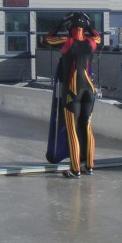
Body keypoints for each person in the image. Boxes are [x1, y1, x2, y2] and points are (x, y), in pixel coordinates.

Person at [44, 12, 101, 178]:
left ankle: (75, 169)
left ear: (71, 27)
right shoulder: (92, 42)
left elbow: (47, 39)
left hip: (72, 90)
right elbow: (97, 36)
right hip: (89, 91)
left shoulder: (67, 41)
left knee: (72, 130)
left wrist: (60, 23)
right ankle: (89, 166)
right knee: (87, 127)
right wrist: (88, 24)